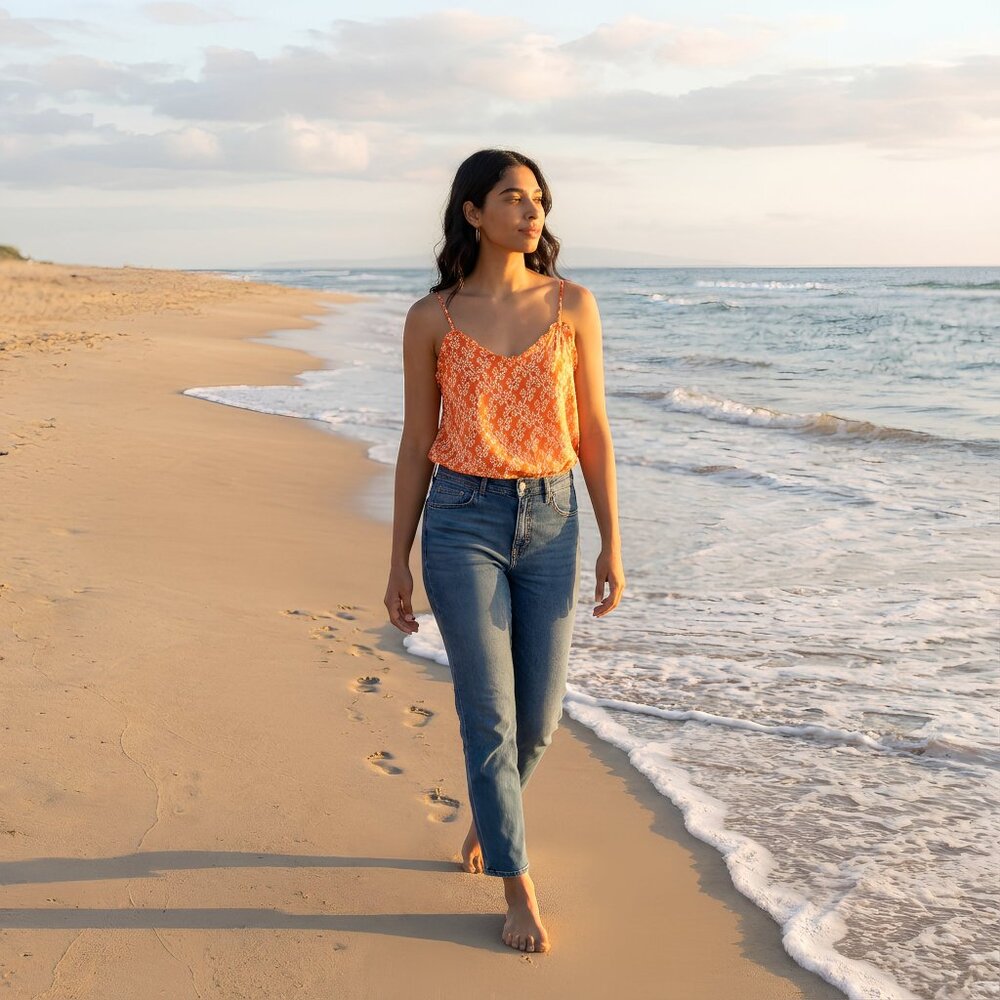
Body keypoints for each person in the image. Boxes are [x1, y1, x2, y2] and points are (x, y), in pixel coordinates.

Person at [384, 148, 625, 954]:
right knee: (487, 715)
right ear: (473, 212)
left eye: (539, 200)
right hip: (460, 519)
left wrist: (611, 543)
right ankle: (517, 889)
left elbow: (593, 432)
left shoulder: (575, 305)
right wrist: (398, 559)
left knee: (542, 717)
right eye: (513, 198)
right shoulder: (433, 317)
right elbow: (418, 439)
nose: (532, 212)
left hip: (554, 518)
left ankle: (491, 813)